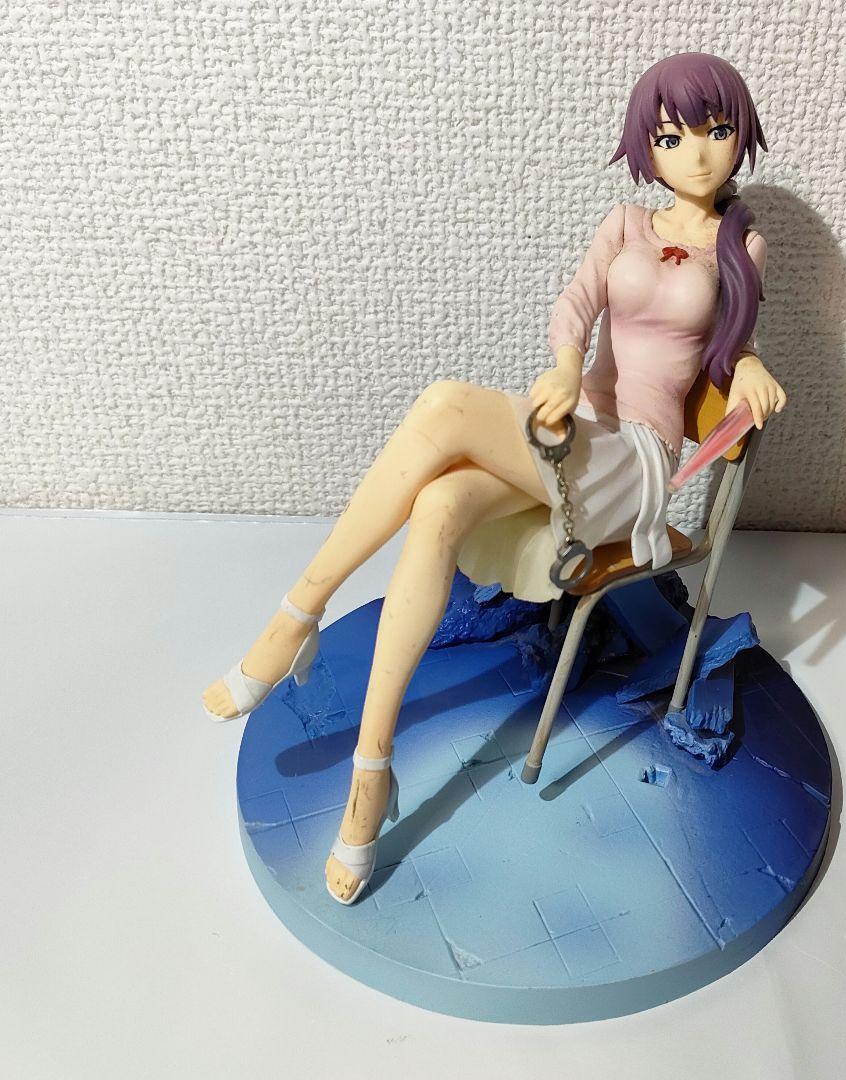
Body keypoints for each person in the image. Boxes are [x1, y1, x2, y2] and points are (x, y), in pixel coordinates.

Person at [201, 52, 787, 905]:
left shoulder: (744, 245)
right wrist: (565, 367)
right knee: (440, 503)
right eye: (671, 136)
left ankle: (296, 615)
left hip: (636, 461)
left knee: (444, 405)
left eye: (717, 130)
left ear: (740, 135)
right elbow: (576, 304)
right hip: (580, 428)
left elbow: (732, 347)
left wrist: (753, 367)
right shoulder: (626, 223)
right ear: (647, 146)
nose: (696, 153)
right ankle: (372, 769)